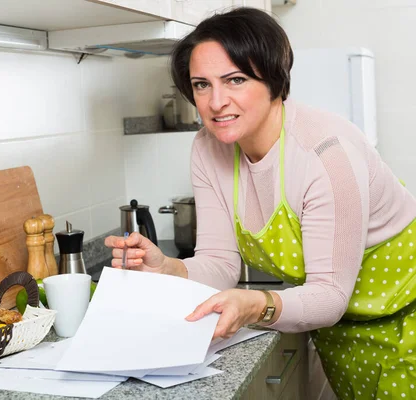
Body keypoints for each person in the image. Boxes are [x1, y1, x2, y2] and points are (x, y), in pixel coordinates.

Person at [104, 6, 416, 400]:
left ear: (273, 79)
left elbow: (330, 295)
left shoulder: (324, 153)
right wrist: (167, 267)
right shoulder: (208, 148)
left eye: (235, 80)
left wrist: (254, 305)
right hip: (339, 332)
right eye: (202, 85)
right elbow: (219, 263)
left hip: (406, 319)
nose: (216, 102)